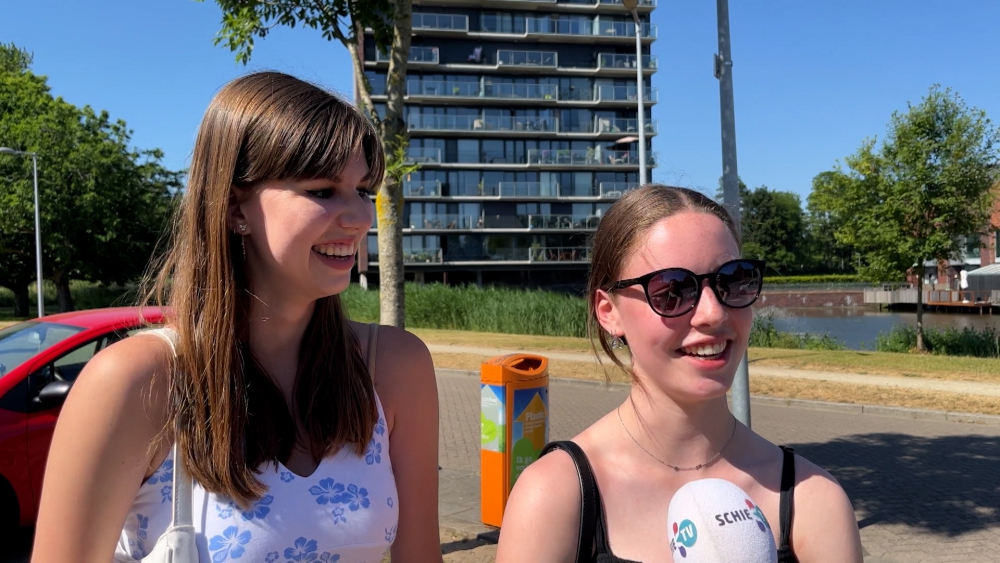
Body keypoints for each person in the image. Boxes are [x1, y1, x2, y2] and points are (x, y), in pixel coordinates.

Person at [31, 72, 443, 563]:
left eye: (363, 189)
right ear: (233, 207)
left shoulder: (393, 367)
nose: (359, 217)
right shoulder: (135, 383)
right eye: (322, 190)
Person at [496, 185, 863, 562]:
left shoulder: (813, 499)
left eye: (732, 280)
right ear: (609, 312)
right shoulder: (554, 497)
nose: (713, 313)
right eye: (672, 290)